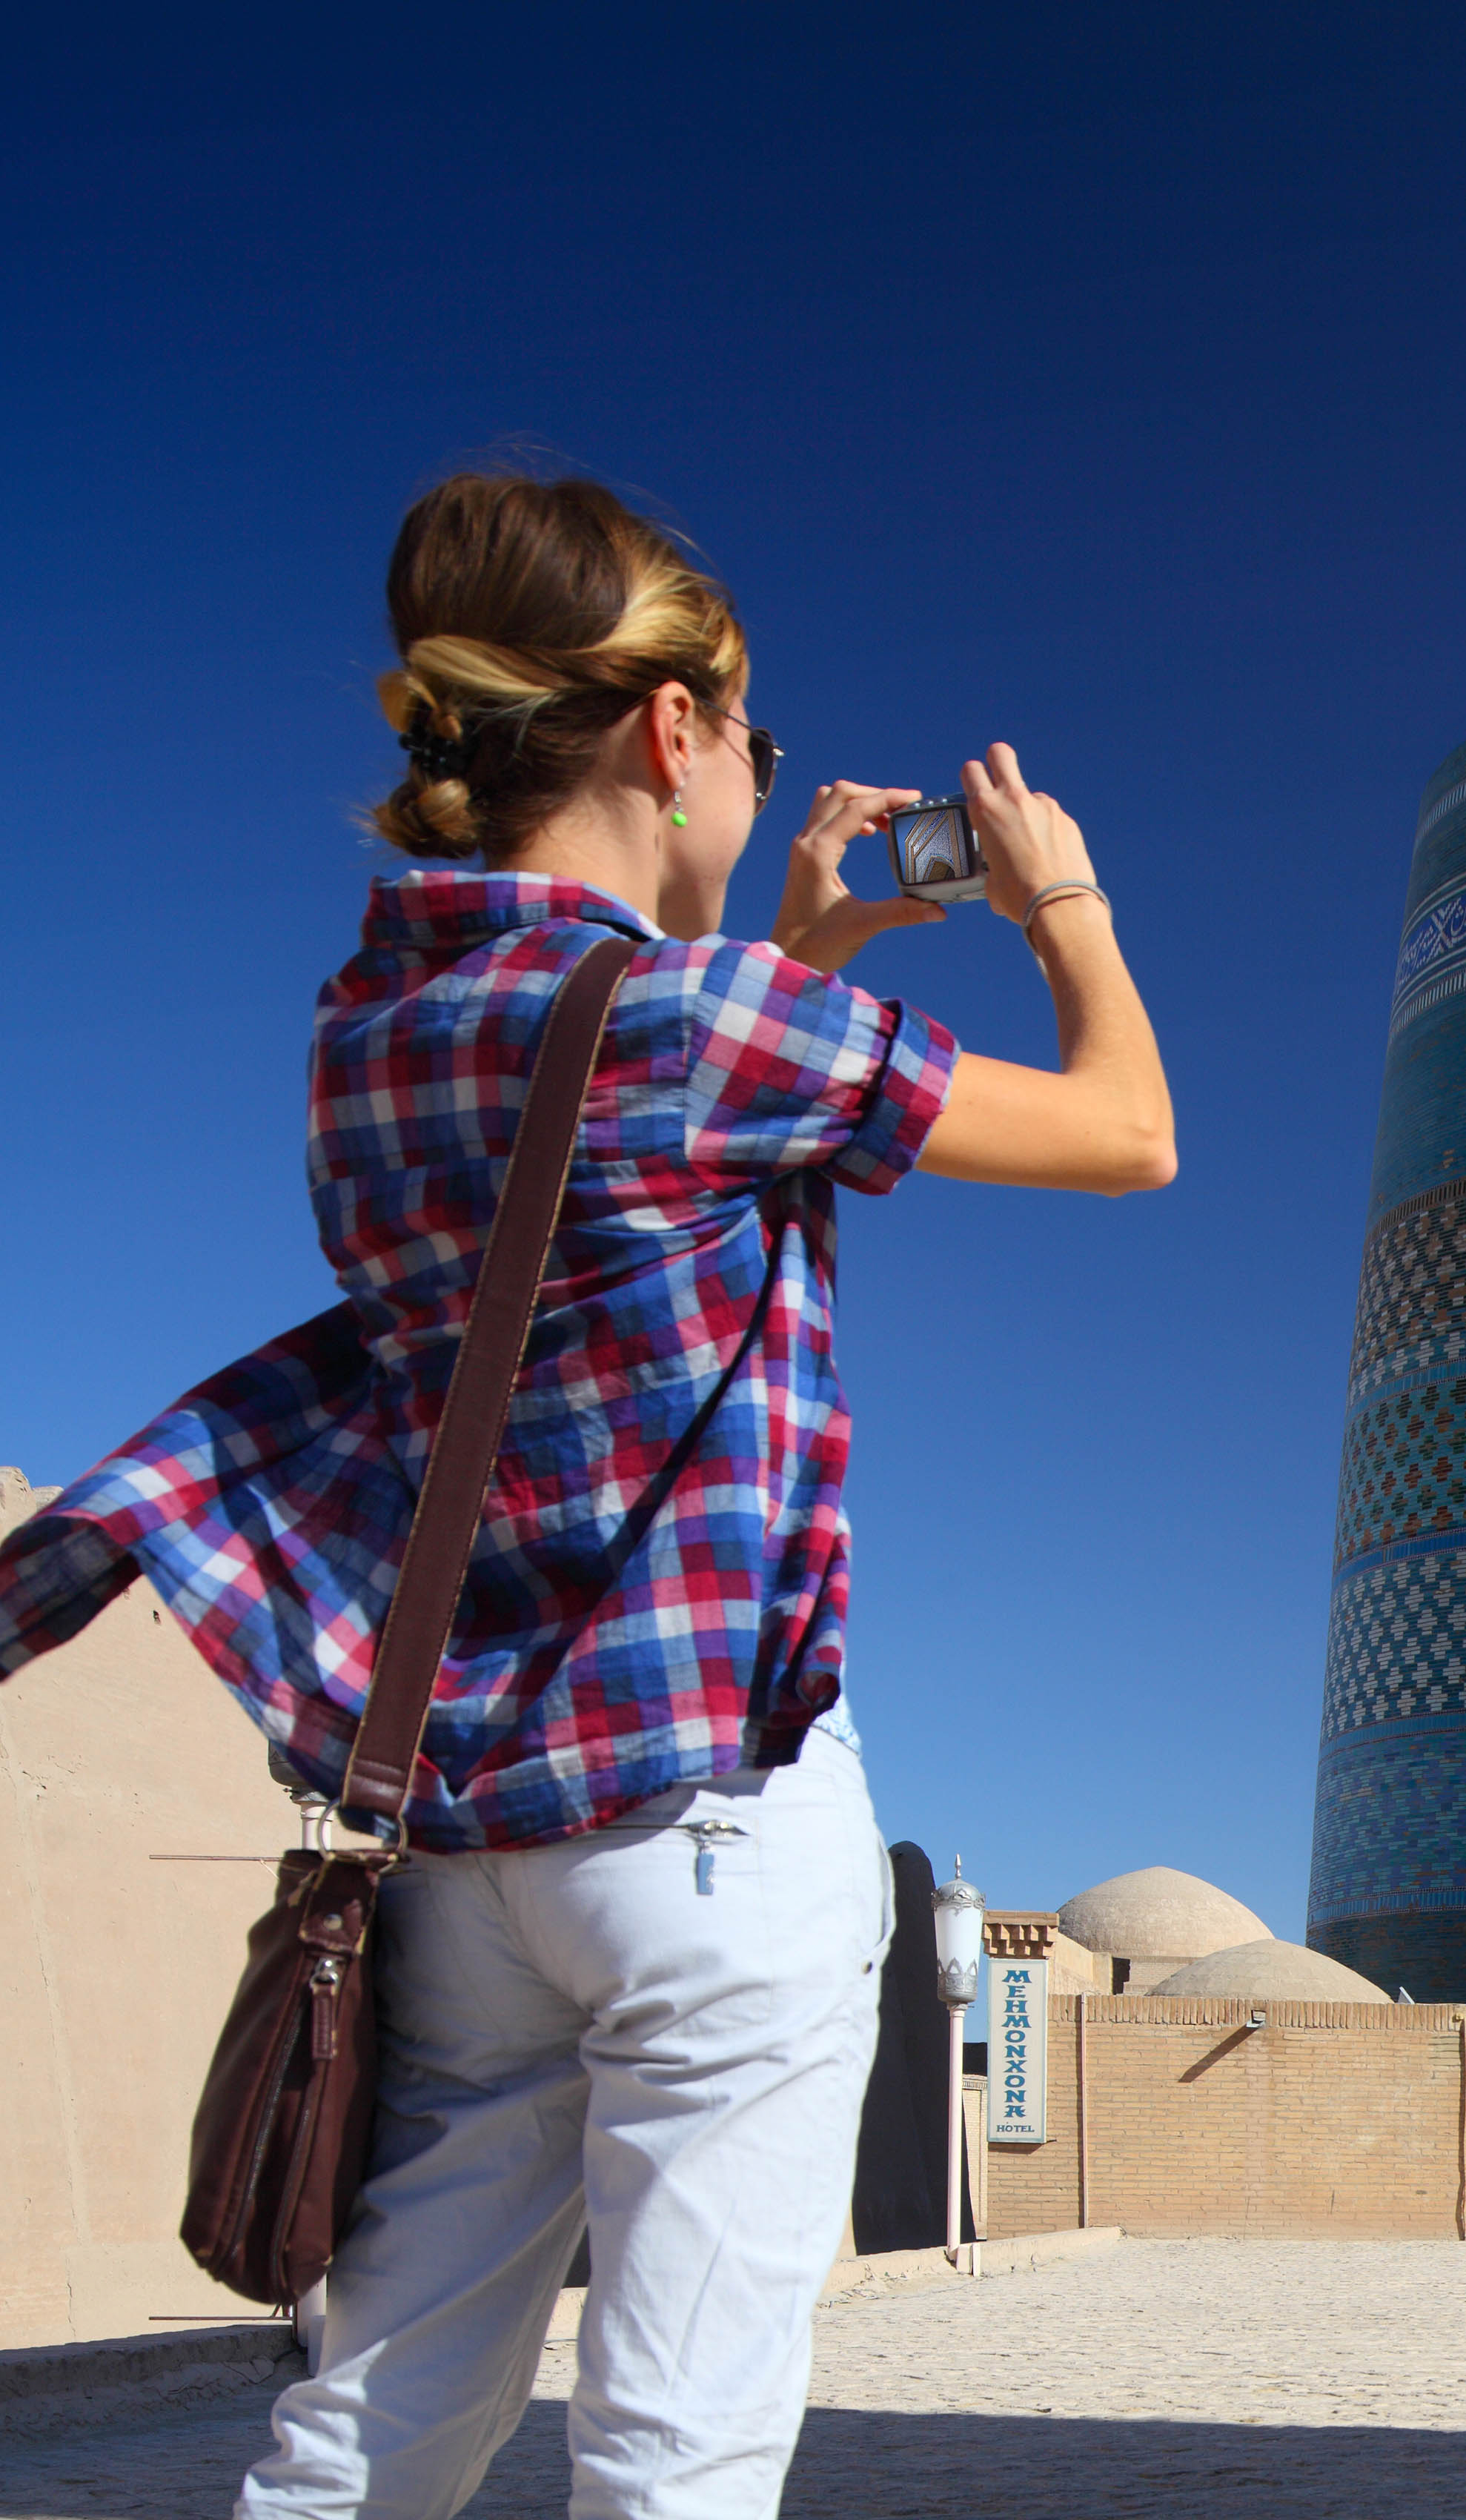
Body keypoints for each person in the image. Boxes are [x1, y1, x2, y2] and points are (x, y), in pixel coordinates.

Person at [0, 472, 1173, 2519]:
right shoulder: (715, 1026)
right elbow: (1125, 1131)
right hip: (714, 1835)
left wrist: (809, 930)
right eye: (755, 735)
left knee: (372, 2412)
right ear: (672, 730)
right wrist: (1052, 894)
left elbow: (636, 1155)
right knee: (676, 2450)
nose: (761, 767)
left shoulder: (365, 1037)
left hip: (471, 1852)